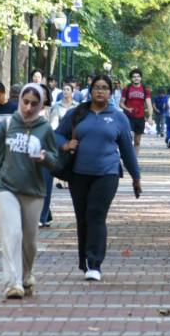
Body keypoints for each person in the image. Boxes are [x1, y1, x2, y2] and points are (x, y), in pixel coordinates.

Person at [0, 83, 59, 298]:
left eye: (34, 103)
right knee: (12, 234)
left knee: (29, 240)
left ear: (41, 105)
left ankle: (26, 275)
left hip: (33, 190)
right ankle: (13, 283)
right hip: (6, 187)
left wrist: (44, 158)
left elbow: (56, 162)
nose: (28, 107)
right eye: (25, 102)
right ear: (20, 100)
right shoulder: (9, 124)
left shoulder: (45, 129)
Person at [56, 73, 142, 283]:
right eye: (97, 87)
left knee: (96, 214)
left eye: (104, 88)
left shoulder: (118, 117)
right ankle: (84, 260)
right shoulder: (78, 113)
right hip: (78, 174)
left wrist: (136, 177)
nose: (100, 91)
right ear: (90, 90)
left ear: (110, 92)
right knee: (82, 217)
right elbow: (57, 134)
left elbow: (127, 150)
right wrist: (65, 145)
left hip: (107, 173)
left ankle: (95, 264)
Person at [121, 69, 151, 149]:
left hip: (140, 118)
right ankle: (127, 156)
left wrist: (150, 116)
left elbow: (149, 104)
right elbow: (121, 104)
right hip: (128, 117)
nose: (136, 78)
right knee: (129, 136)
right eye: (134, 77)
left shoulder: (145, 90)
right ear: (131, 78)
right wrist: (127, 109)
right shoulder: (126, 89)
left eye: (138, 76)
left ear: (141, 78)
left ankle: (134, 160)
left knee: (137, 142)